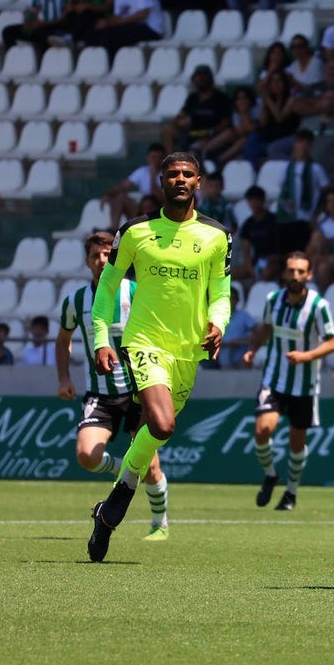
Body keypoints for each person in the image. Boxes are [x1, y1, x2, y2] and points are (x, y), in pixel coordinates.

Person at [85, 152, 233, 563]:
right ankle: (122, 499)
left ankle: (110, 505)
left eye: (188, 174)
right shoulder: (134, 231)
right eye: (172, 174)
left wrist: (219, 323)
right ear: (160, 181)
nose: (180, 180)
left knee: (154, 430)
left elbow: (221, 293)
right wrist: (101, 338)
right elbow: (107, 289)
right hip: (145, 343)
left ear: (199, 182)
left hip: (188, 351)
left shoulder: (217, 235)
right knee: (163, 424)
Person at [58, 230, 169, 540]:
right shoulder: (75, 301)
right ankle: (125, 466)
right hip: (101, 394)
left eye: (108, 255)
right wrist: (64, 377)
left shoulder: (135, 292)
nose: (102, 260)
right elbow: (63, 339)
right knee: (86, 456)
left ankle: (159, 522)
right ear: (88, 261)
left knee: (152, 467)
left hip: (138, 392)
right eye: (96, 255)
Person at [242, 252, 334, 511]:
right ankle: (271, 474)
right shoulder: (273, 300)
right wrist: (253, 349)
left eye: (300, 271)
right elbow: (266, 328)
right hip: (273, 378)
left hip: (304, 384)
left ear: (309, 275)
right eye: (291, 271)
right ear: (284, 273)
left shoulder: (319, 306)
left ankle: (291, 493)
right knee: (262, 431)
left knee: (297, 442)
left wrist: (306, 355)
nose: (295, 276)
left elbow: (332, 342)